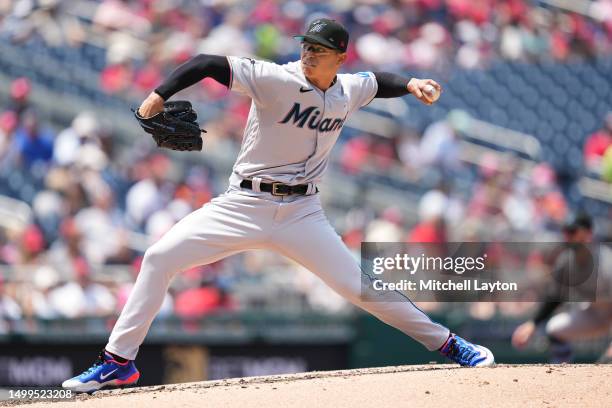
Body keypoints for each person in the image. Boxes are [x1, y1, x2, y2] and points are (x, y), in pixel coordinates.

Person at [62, 18, 494, 393]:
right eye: (306, 45)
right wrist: (158, 95)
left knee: (361, 289)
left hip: (302, 215)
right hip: (243, 203)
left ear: (339, 58)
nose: (308, 53)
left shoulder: (347, 89)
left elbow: (378, 82)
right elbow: (208, 63)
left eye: (319, 49)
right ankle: (118, 361)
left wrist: (412, 83)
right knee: (158, 258)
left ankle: (451, 344)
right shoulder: (276, 78)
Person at [511, 212, 612, 363]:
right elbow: (555, 295)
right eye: (566, 231)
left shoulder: (606, 262)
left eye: (572, 231)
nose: (567, 236)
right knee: (555, 328)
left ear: (589, 233)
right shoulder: (567, 261)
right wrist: (533, 323)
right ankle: (562, 374)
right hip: (596, 312)